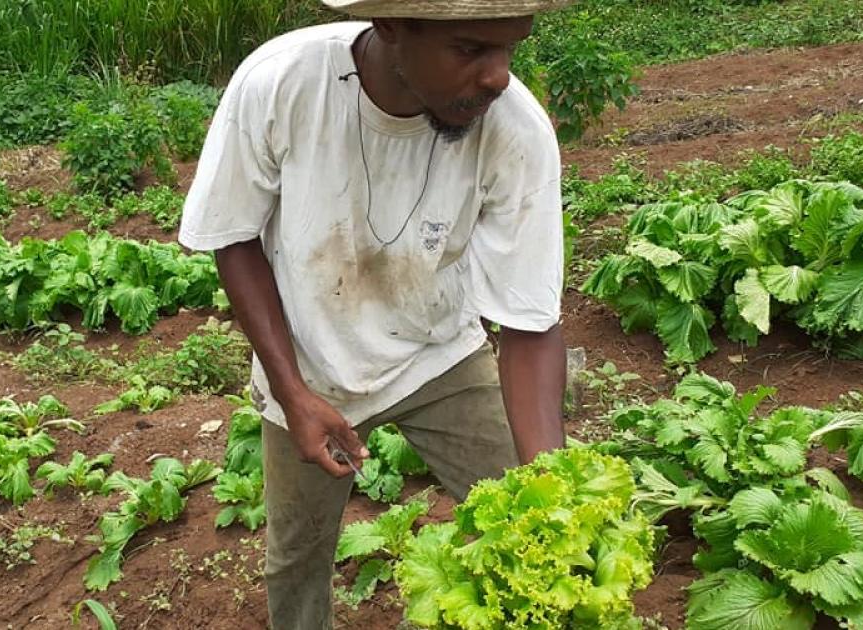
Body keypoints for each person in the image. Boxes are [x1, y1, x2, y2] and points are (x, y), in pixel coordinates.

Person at [179, 0, 571, 627]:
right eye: (471, 50)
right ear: (389, 28)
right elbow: (234, 235)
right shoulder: (281, 82)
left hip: (440, 349)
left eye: (510, 49)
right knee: (297, 560)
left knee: (529, 513)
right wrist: (291, 392)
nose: (498, 77)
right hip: (310, 368)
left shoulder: (515, 129)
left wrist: (555, 486)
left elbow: (529, 323)